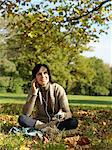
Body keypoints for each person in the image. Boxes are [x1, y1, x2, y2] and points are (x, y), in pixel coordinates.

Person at [18, 64, 78, 131]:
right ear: (35, 78)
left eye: (45, 73)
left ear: (49, 75)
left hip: (57, 122)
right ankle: (49, 129)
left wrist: (63, 115)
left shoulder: (58, 89)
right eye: (39, 74)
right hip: (39, 122)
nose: (43, 76)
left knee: (73, 122)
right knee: (22, 118)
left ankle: (45, 129)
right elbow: (26, 113)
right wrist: (34, 94)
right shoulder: (33, 89)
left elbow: (68, 113)